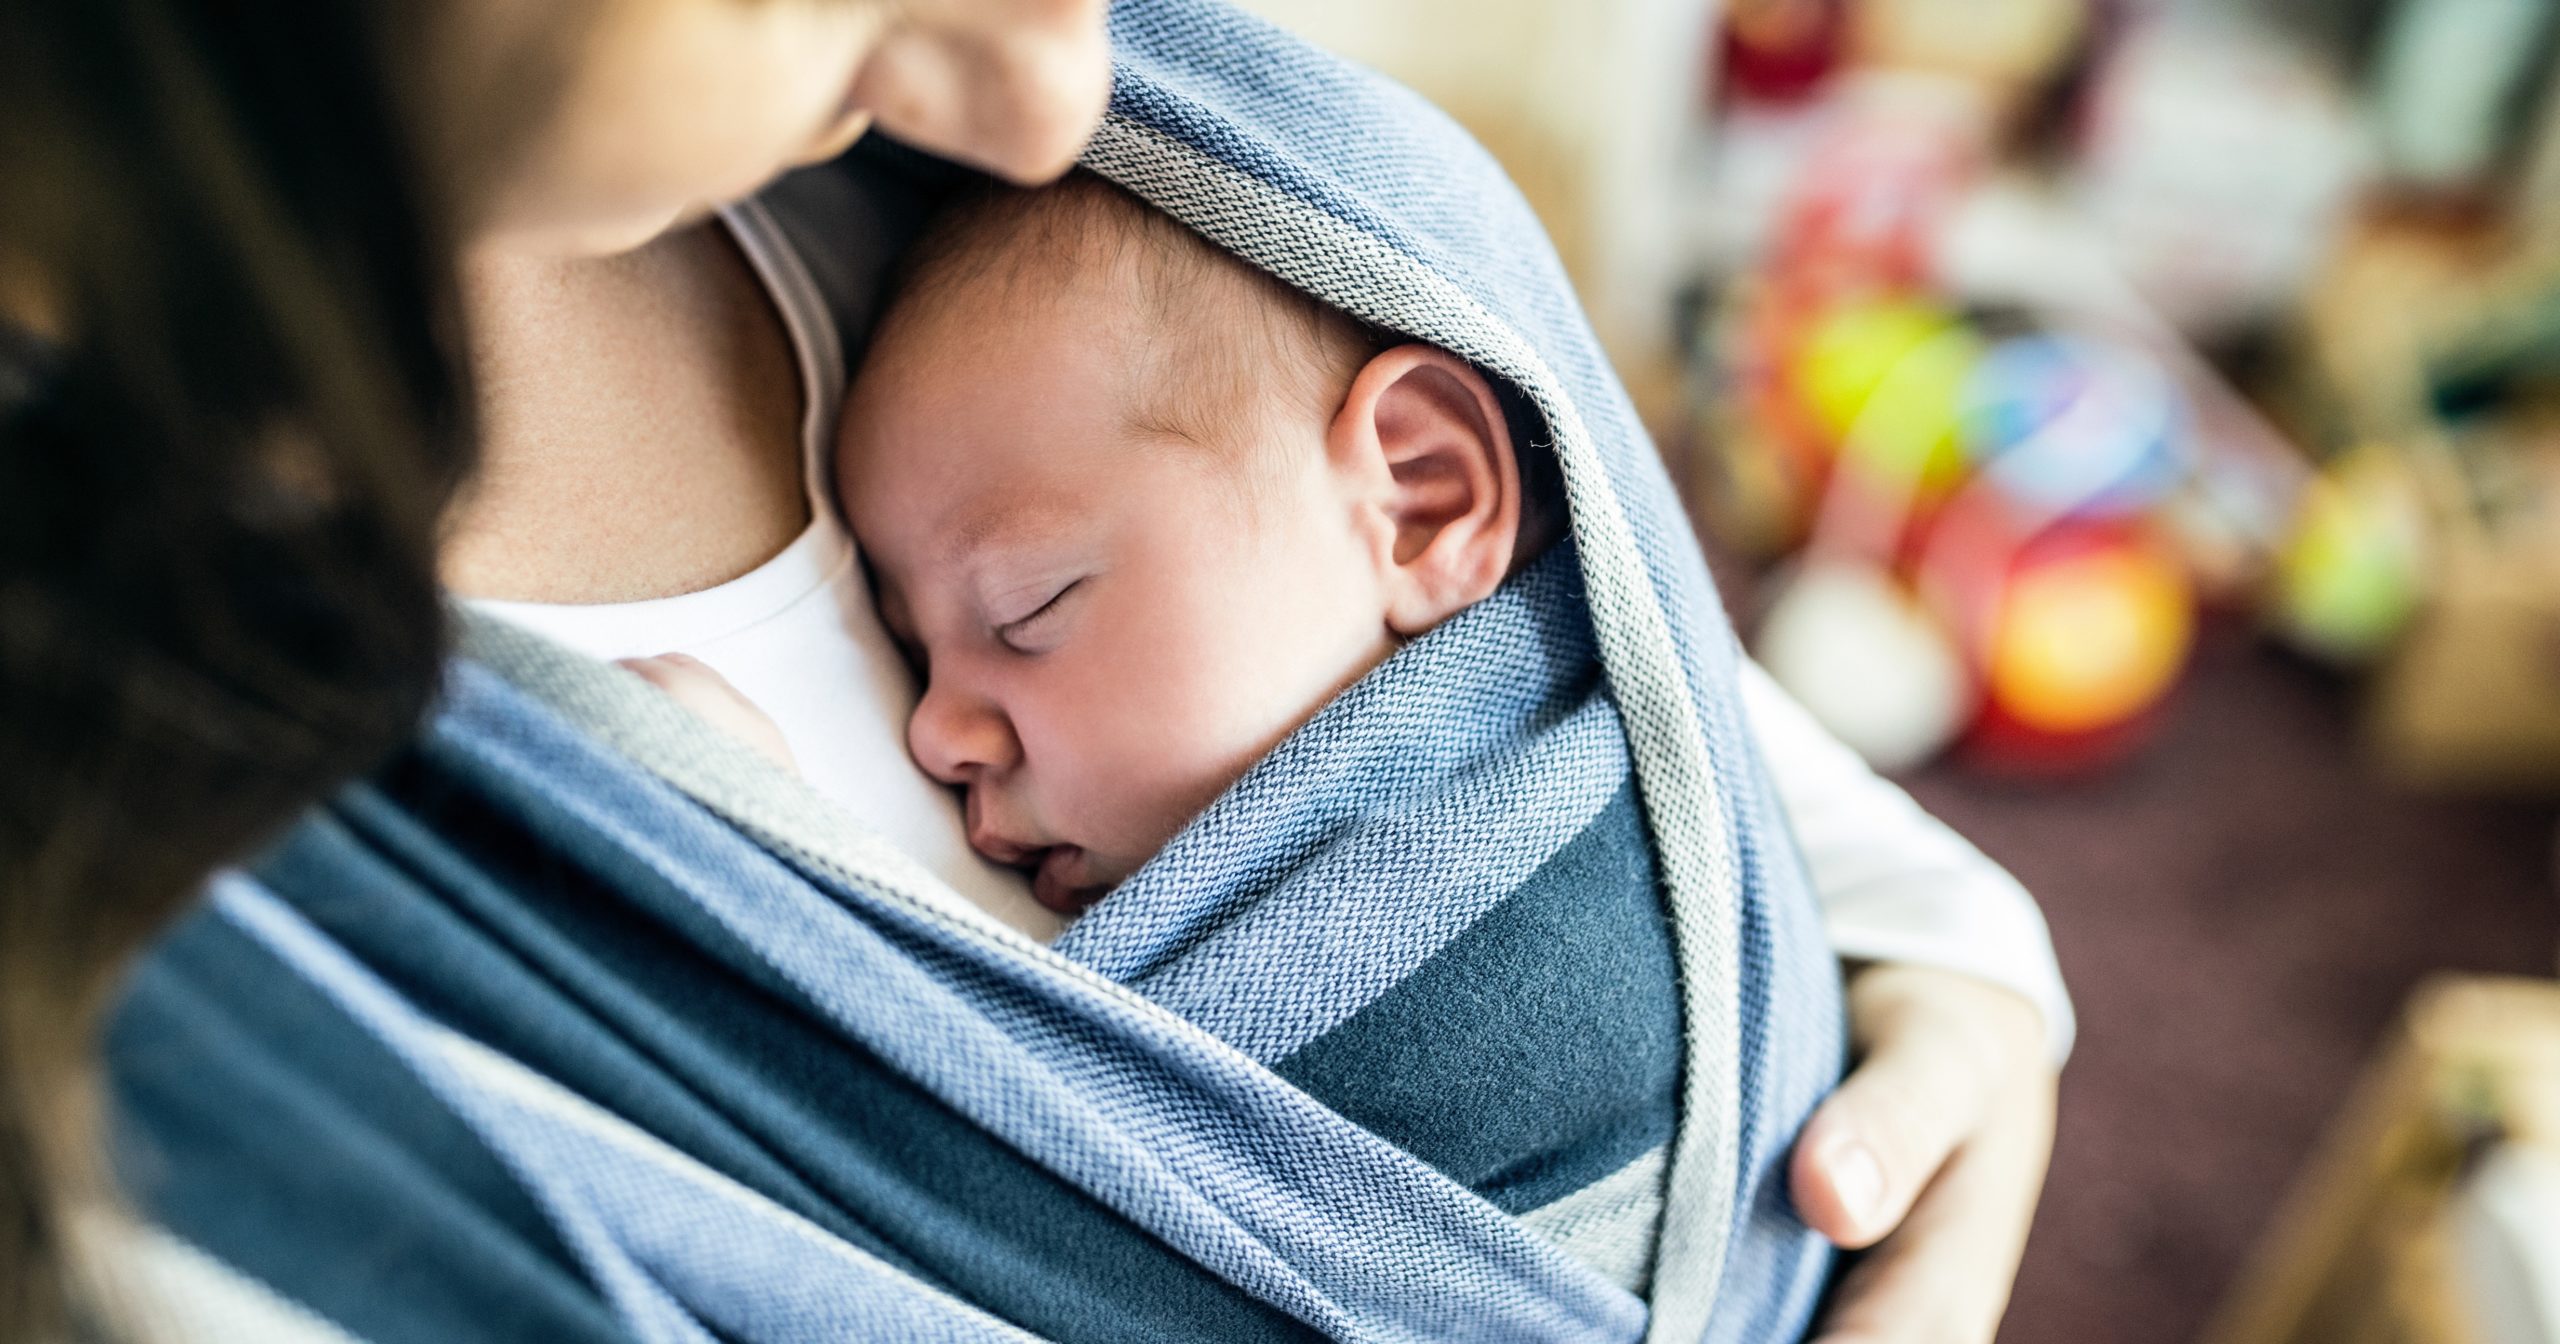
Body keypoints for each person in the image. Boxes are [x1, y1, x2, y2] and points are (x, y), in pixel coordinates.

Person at [0, 1, 2063, 1341]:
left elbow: (1585, 657)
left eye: (1031, 616)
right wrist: (797, 880)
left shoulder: (1056, 197)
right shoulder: (171, 942)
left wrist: (1956, 970)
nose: (1055, 87)